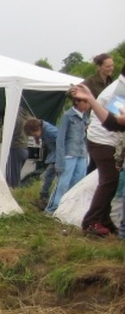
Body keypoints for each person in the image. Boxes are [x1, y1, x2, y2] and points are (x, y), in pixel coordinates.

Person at [71, 71, 125, 237]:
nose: (110, 68)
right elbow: (114, 122)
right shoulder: (120, 91)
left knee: (111, 182)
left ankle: (104, 220)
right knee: (109, 181)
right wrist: (91, 100)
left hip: (106, 140)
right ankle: (92, 222)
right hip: (104, 141)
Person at [44, 87, 91, 214]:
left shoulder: (85, 117)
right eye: (84, 102)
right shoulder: (68, 116)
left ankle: (68, 208)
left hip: (81, 153)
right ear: (77, 102)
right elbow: (60, 139)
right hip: (69, 154)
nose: (87, 105)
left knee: (77, 181)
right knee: (63, 183)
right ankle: (52, 208)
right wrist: (59, 160)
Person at [23, 118, 58, 210]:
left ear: (38, 128)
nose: (34, 136)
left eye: (34, 134)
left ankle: (46, 199)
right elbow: (38, 134)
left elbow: (61, 140)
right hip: (54, 154)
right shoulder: (41, 127)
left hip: (58, 155)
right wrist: (37, 138)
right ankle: (44, 197)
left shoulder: (50, 131)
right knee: (48, 176)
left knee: (47, 176)